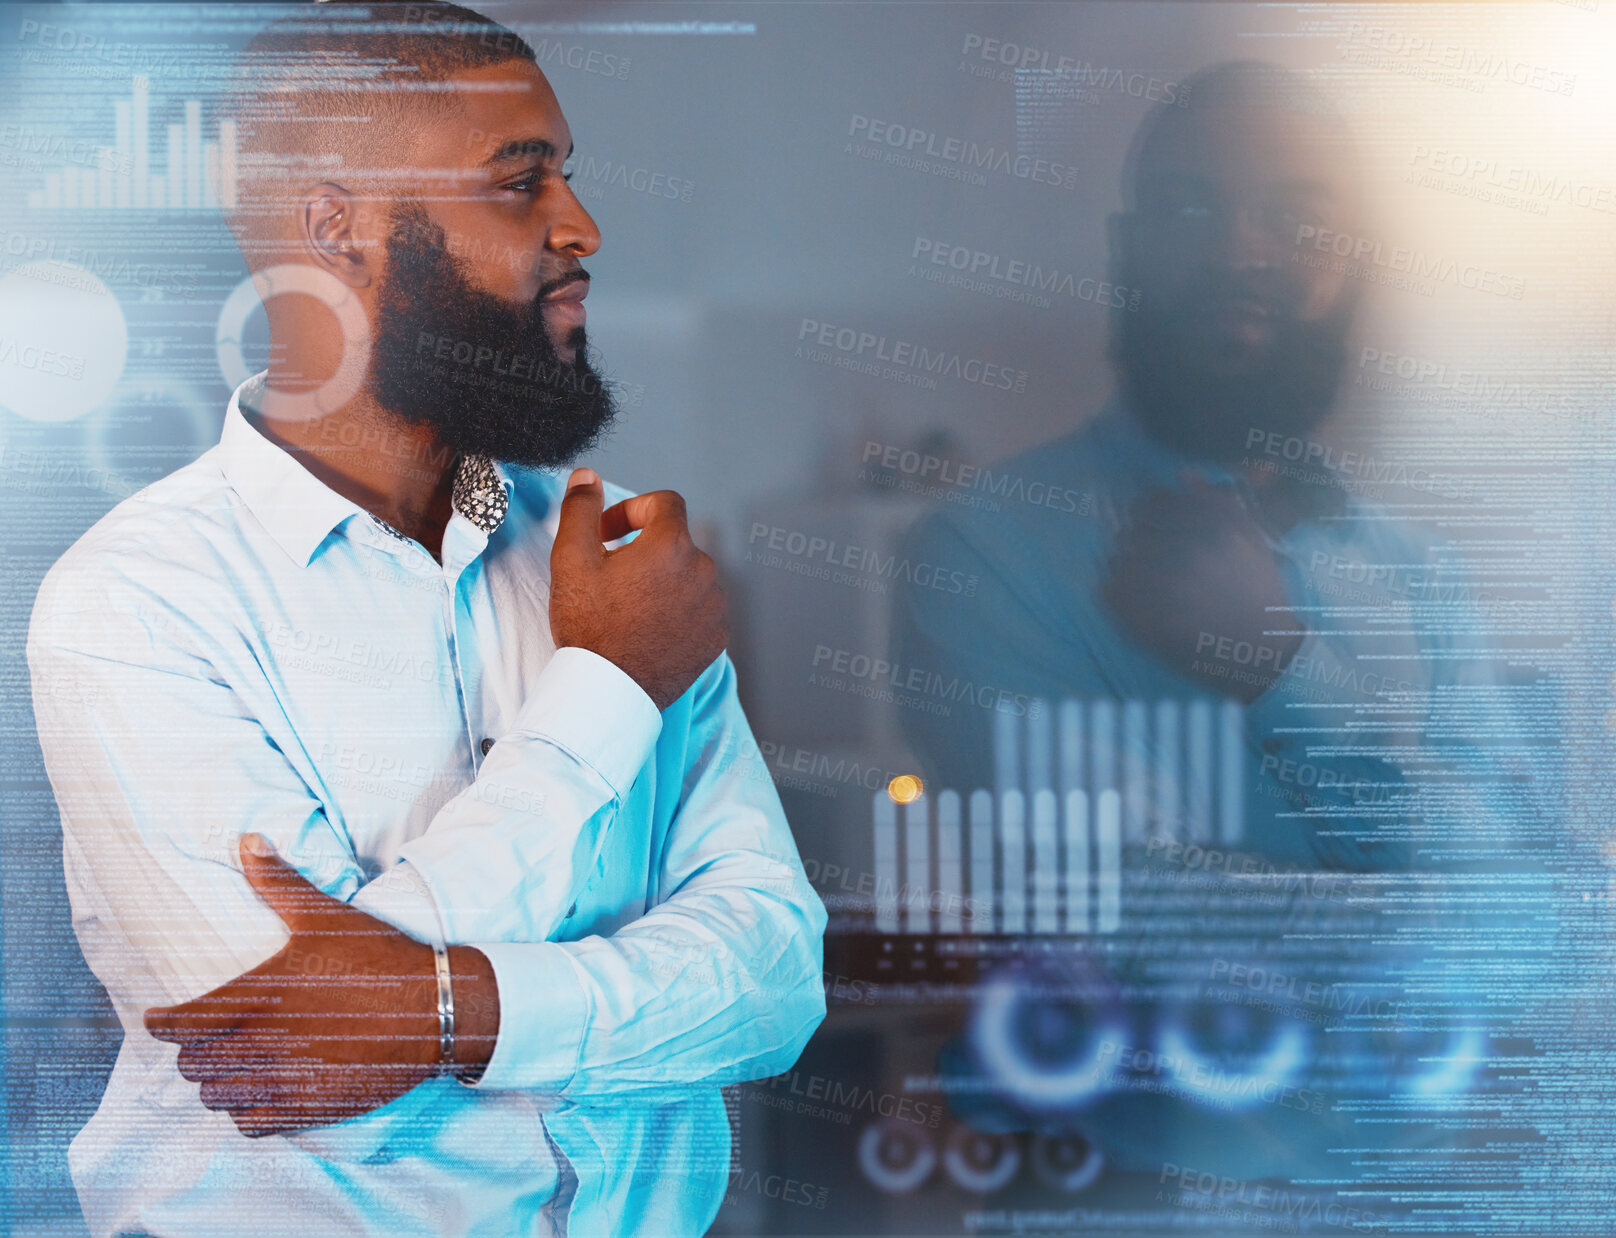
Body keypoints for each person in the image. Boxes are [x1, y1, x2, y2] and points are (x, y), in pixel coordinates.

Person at [26, 5, 825, 1236]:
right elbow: (288, 1046)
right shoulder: (134, 603)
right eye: (519, 182)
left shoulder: (611, 556)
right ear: (337, 228)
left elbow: (771, 977)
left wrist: (442, 1010)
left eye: (566, 172)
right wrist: (606, 687)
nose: (581, 227)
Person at [890, 60, 1534, 1191]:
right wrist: (1421, 896)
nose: (1241, 252)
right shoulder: (986, 549)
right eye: (1193, 209)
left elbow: (1524, 927)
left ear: (1350, 265)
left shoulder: (1420, 576)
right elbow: (1110, 925)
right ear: (1126, 247)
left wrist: (1281, 664)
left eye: (1294, 219)